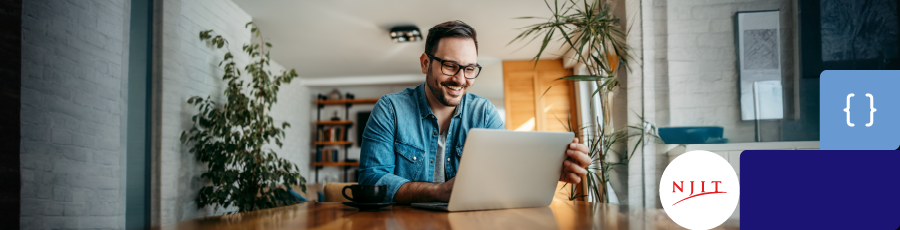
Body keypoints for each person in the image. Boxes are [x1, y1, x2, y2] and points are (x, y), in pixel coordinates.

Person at [358, 20, 591, 203]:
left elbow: (504, 173)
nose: (460, 80)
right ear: (425, 63)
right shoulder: (390, 109)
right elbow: (372, 180)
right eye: (450, 66)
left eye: (469, 69)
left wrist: (548, 172)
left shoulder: (485, 113)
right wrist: (439, 192)